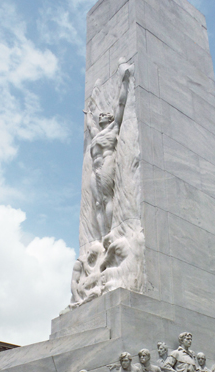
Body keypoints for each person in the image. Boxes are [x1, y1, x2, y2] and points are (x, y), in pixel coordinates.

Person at [84, 60, 133, 238]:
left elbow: (121, 103)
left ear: (111, 119)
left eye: (106, 115)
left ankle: (112, 233)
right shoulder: (97, 133)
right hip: (95, 167)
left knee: (107, 198)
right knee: (98, 203)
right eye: (101, 115)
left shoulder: (113, 129)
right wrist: (89, 113)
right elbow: (90, 125)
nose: (103, 116)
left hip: (107, 161)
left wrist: (125, 81)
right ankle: (103, 236)